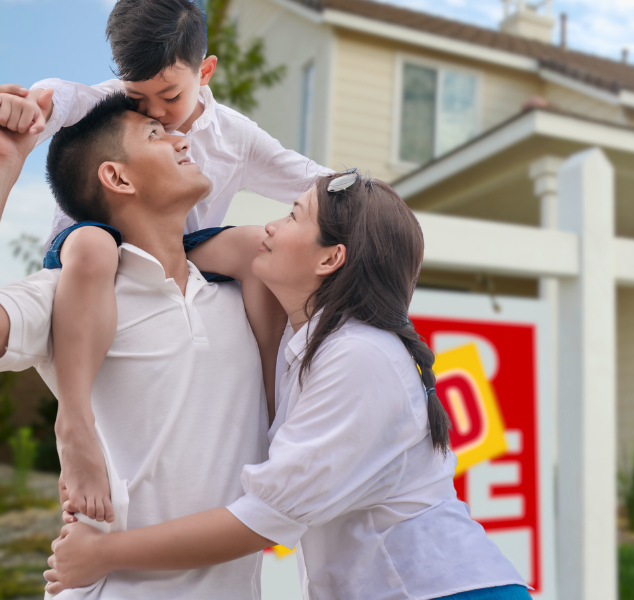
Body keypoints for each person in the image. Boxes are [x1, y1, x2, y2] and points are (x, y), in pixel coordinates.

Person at [44, 171, 532, 600]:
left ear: (330, 258)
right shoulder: (311, 340)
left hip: (442, 591)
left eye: (294, 216)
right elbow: (178, 250)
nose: (272, 228)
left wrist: (103, 554)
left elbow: (262, 520)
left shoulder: (361, 356)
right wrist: (95, 248)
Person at [0, 0, 329, 524]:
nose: (154, 112)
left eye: (170, 98)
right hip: (84, 251)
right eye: (139, 99)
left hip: (184, 248)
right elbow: (58, 97)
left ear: (205, 72)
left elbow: (308, 175)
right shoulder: (110, 108)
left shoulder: (235, 137)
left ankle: (274, 410)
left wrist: (368, 193)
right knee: (97, 248)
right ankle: (75, 419)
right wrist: (27, 116)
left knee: (252, 246)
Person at [0, 92, 271, 598]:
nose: (180, 136)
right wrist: (4, 169)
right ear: (117, 178)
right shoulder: (68, 293)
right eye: (154, 134)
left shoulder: (242, 293)